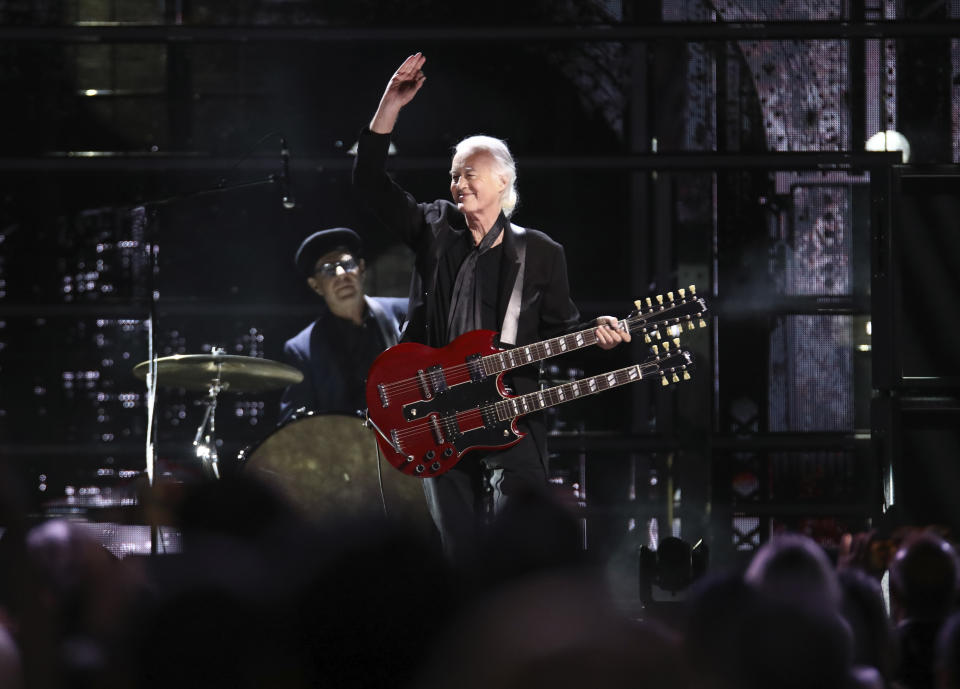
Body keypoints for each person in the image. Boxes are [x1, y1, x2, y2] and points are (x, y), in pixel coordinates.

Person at [353, 52, 630, 564]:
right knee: (458, 551)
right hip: (439, 411)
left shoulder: (541, 252)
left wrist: (604, 336)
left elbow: (564, 329)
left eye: (469, 173)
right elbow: (369, 183)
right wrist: (390, 105)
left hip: (511, 410)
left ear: (504, 182)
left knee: (520, 546)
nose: (457, 182)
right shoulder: (435, 228)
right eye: (454, 175)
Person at [278, 227, 407, 422]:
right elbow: (293, 428)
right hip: (349, 448)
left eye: (347, 264)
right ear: (315, 285)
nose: (341, 274)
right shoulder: (302, 348)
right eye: (328, 269)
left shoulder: (406, 312)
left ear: (361, 268)